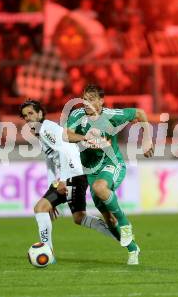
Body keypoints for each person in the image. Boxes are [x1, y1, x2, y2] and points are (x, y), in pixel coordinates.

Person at [19, 100, 120, 263]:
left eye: (31, 113)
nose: (28, 118)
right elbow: (51, 162)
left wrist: (64, 181)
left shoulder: (46, 128)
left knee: (40, 208)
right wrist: (51, 187)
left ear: (39, 113)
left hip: (73, 174)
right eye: (25, 116)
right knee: (79, 217)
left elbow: (66, 149)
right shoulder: (41, 134)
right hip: (76, 174)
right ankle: (118, 235)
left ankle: (48, 252)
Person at [67, 84, 154, 265]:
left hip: (112, 164)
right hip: (90, 171)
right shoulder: (76, 115)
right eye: (85, 99)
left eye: (91, 99)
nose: (87, 103)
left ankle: (125, 224)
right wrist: (84, 138)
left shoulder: (110, 115)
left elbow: (140, 113)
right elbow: (67, 135)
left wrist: (146, 139)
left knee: (101, 188)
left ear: (101, 101)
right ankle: (132, 249)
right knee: (108, 219)